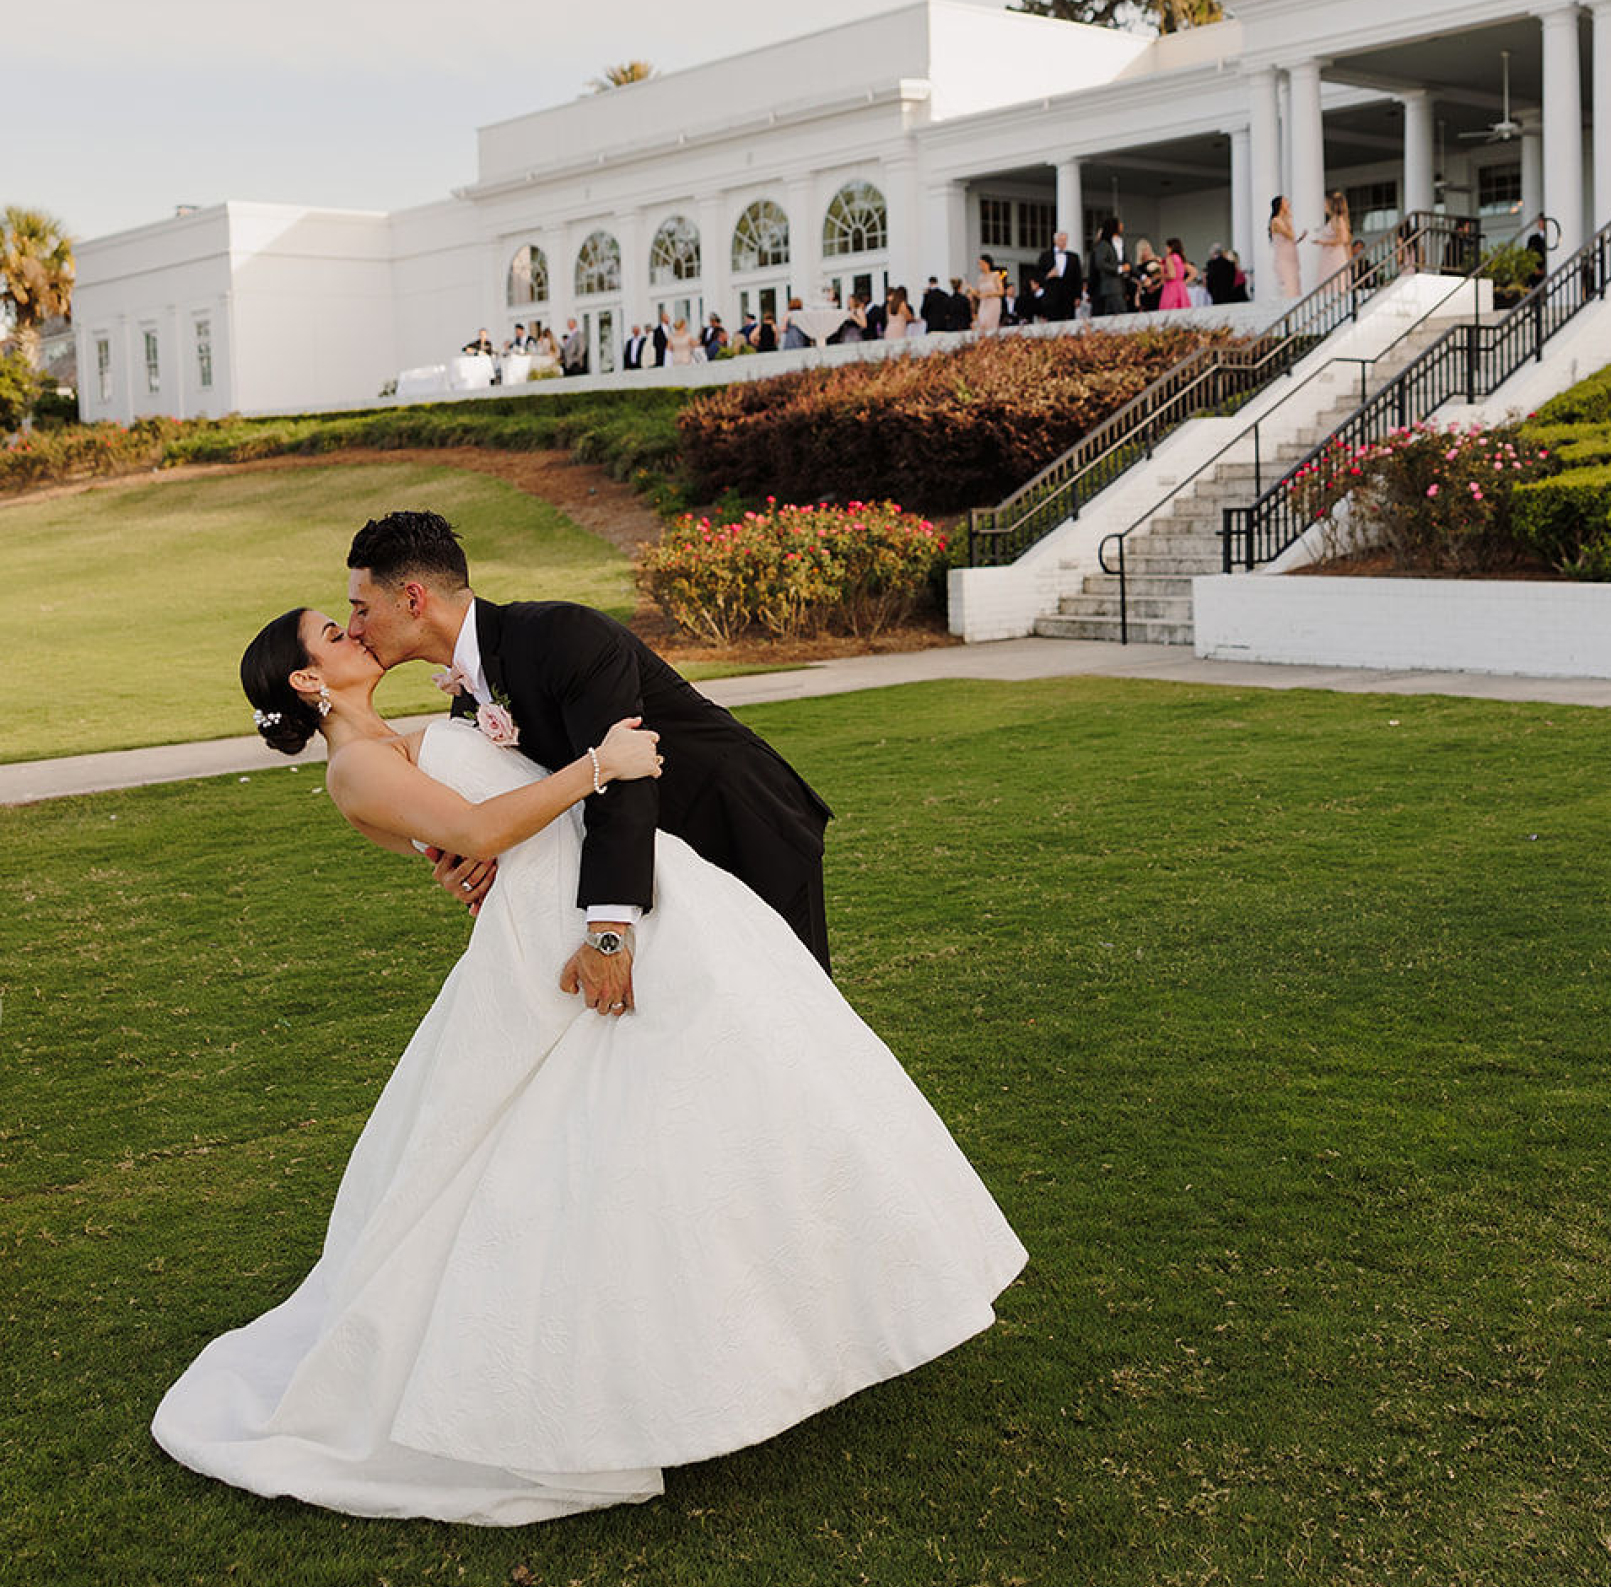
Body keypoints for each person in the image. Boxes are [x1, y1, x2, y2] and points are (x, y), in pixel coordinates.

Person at [151, 601, 1025, 1524]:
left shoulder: (408, 734)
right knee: (600, 1123)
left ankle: (806, 1300)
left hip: (602, 894)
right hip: (561, 927)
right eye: (335, 633)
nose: (355, 631)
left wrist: (468, 847)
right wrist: (596, 768)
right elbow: (480, 834)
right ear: (306, 680)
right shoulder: (358, 765)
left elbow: (463, 841)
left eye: (353, 614)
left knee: (739, 1072)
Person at [343, 507, 833, 977]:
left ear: (413, 599)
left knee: (798, 1024)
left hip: (740, 829)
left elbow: (626, 771)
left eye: (362, 609)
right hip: (664, 870)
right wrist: (467, 866)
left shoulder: (562, 635)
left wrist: (608, 931)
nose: (354, 629)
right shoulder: (468, 701)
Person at [1035, 232, 1082, 321]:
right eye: (1061, 240)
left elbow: (1078, 278)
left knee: (1069, 323)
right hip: (1052, 297)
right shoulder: (1045, 256)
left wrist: (1078, 296)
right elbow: (1037, 274)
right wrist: (1048, 275)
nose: (1063, 242)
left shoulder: (1074, 257)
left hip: (1068, 297)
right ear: (1055, 241)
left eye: (1065, 240)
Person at [1310, 192, 1353, 287]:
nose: (1324, 206)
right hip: (1329, 256)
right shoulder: (1333, 220)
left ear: (1331, 204)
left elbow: (1343, 238)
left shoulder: (1338, 220)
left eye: (1325, 203)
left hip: (1334, 256)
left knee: (1334, 284)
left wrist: (1323, 242)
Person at [1087, 218, 1129, 316]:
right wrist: (1091, 291)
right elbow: (1096, 268)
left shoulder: (1118, 244)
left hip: (1115, 287)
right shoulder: (1102, 246)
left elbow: (1127, 263)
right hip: (1103, 288)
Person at [1268, 198, 1301, 303]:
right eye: (1285, 201)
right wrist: (1289, 218)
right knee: (1288, 285)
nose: (1288, 203)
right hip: (1283, 259)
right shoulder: (1276, 220)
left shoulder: (1284, 220)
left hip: (1290, 257)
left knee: (1295, 283)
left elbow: (1291, 239)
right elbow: (1290, 235)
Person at [973, 255, 1006, 334]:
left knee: (990, 324)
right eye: (979, 264)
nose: (979, 266)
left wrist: (988, 294)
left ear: (987, 264)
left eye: (981, 263)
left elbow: (1001, 292)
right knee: (981, 323)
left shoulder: (995, 275)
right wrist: (972, 292)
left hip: (993, 303)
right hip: (983, 304)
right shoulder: (980, 277)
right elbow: (978, 293)